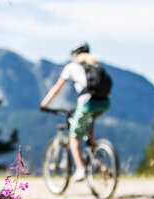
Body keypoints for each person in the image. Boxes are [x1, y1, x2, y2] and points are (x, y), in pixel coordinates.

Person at [39, 42, 111, 182]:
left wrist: (44, 104)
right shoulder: (96, 65)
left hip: (87, 103)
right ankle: (97, 155)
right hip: (104, 102)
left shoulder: (72, 67)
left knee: (74, 136)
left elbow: (56, 88)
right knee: (88, 130)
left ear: (75, 54)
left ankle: (80, 169)